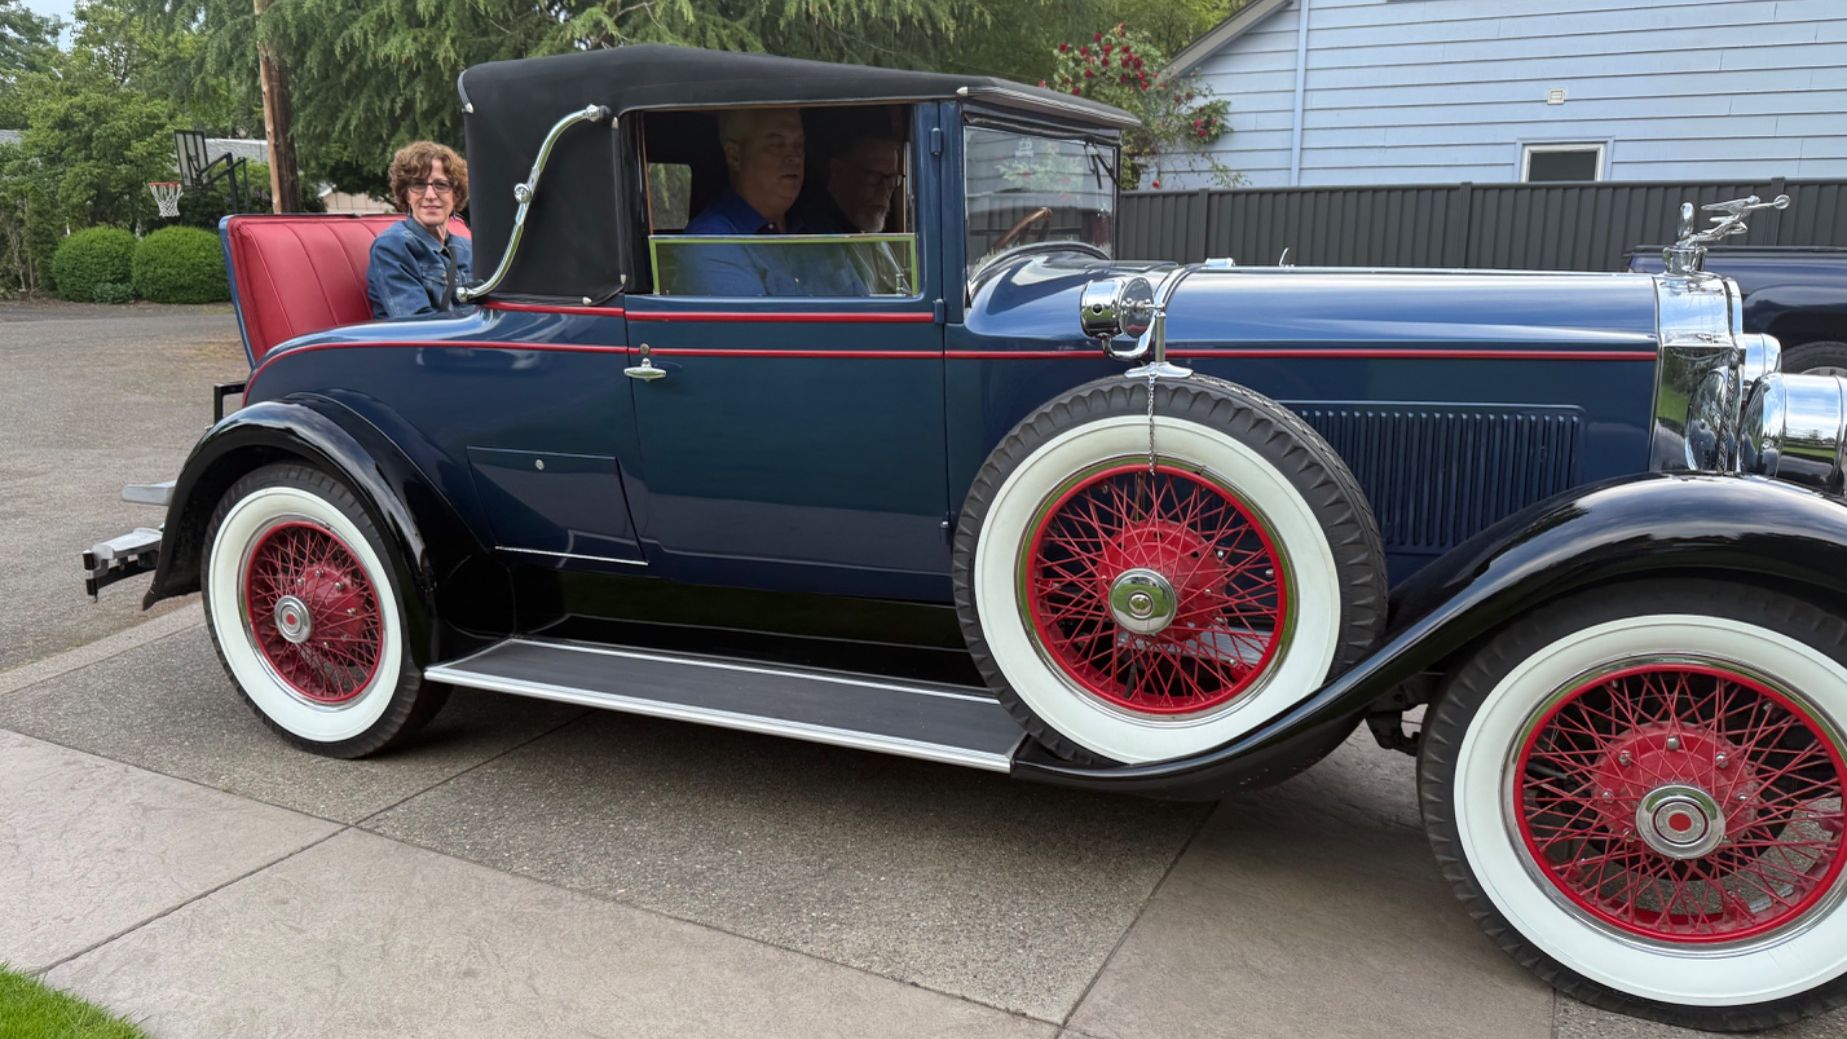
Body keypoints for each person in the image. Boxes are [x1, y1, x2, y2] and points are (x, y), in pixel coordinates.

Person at [674, 109, 861, 297]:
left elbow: (865, 306)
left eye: (799, 145)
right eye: (777, 145)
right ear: (735, 156)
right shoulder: (711, 243)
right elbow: (752, 317)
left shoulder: (819, 231)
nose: (794, 157)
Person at [792, 131, 909, 295]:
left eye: (891, 179)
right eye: (873, 177)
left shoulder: (870, 234)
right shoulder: (816, 239)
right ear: (837, 171)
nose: (884, 191)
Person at [367, 141, 474, 318]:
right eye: (418, 185)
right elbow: (417, 324)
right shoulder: (392, 247)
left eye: (441, 185)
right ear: (406, 194)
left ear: (455, 195)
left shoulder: (467, 249)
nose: (430, 195)